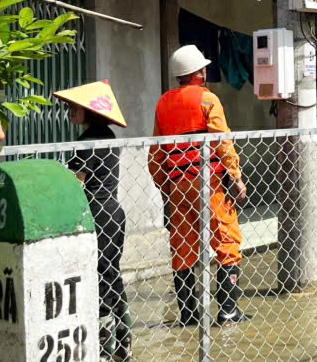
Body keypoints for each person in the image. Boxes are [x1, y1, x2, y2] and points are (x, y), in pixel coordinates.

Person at [149, 45, 250, 326]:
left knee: (182, 247)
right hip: (210, 183)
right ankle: (228, 312)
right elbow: (222, 141)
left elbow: (155, 155)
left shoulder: (163, 103)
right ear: (197, 72)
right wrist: (236, 177)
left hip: (178, 183)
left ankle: (188, 315)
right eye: (203, 68)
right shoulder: (208, 99)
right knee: (227, 241)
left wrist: (166, 187)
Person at [55, 81, 132, 362]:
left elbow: (77, 180)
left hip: (95, 211)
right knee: (112, 274)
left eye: (74, 108)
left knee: (100, 276)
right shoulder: (108, 136)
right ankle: (124, 343)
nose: (70, 112)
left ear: (89, 111)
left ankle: (104, 346)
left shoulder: (86, 142)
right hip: (114, 211)